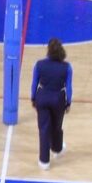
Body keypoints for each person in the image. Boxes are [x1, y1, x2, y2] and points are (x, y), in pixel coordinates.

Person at [31, 38, 73, 170]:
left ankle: (44, 162)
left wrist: (33, 98)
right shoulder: (67, 67)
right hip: (58, 99)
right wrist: (68, 102)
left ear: (48, 50)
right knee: (57, 125)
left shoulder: (39, 64)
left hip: (42, 97)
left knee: (44, 129)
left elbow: (34, 83)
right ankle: (57, 149)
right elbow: (69, 87)